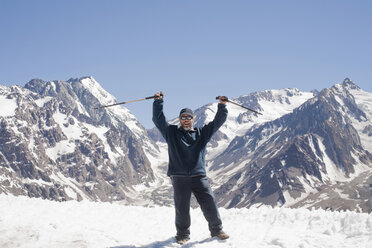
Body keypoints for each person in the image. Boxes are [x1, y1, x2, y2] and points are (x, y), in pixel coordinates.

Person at [152, 91, 229, 244]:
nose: (186, 120)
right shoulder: (171, 133)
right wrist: (158, 102)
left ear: (193, 119)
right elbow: (158, 119)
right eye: (183, 117)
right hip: (179, 177)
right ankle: (182, 235)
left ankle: (217, 230)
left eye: (189, 117)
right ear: (180, 119)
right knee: (182, 208)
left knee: (210, 203)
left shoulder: (202, 133)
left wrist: (222, 106)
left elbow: (217, 123)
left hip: (198, 176)